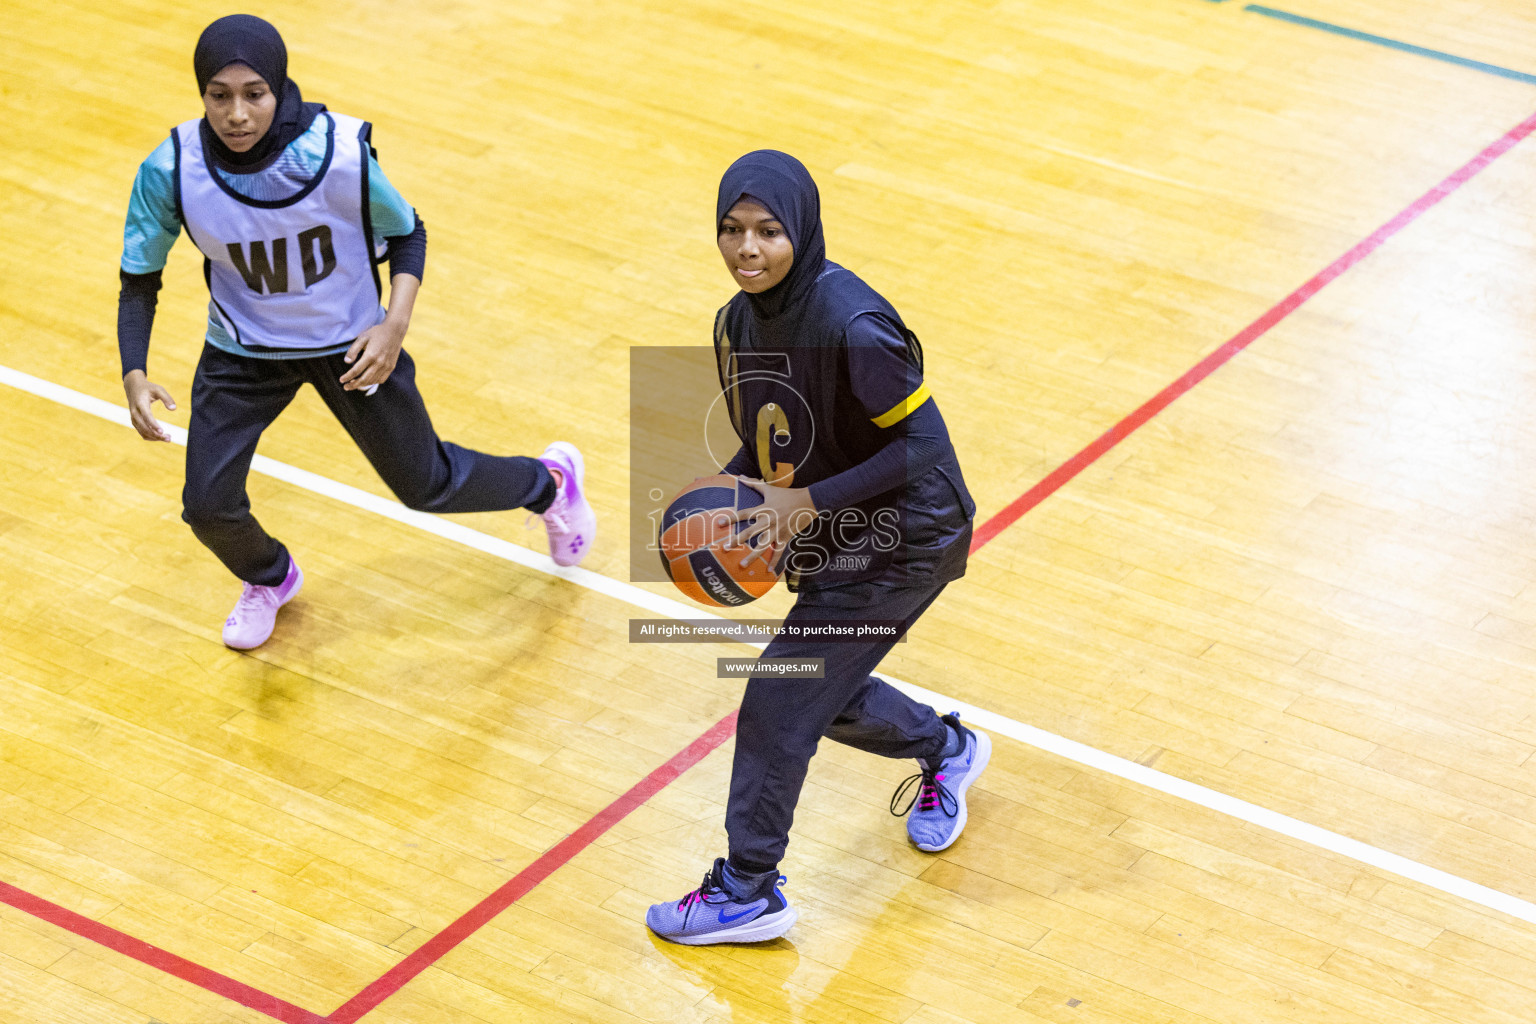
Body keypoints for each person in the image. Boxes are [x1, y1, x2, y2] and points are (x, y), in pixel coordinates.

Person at [117, 15, 594, 649]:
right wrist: (135, 371)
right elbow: (138, 279)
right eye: (219, 95)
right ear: (201, 93)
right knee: (207, 504)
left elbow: (407, 233)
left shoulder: (335, 155)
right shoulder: (171, 168)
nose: (236, 113)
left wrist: (392, 327)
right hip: (244, 353)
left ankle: (550, 483)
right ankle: (270, 577)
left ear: (279, 86)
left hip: (352, 347)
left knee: (428, 486)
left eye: (253, 93)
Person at [645, 151, 989, 945]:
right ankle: (947, 747)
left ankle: (746, 890)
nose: (747, 250)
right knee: (813, 693)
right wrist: (725, 503)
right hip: (837, 525)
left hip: (907, 535)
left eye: (768, 232)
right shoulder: (738, 321)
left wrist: (803, 502)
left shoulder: (851, 326)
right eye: (731, 230)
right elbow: (777, 439)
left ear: (802, 229)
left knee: (779, 697)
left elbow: (925, 448)